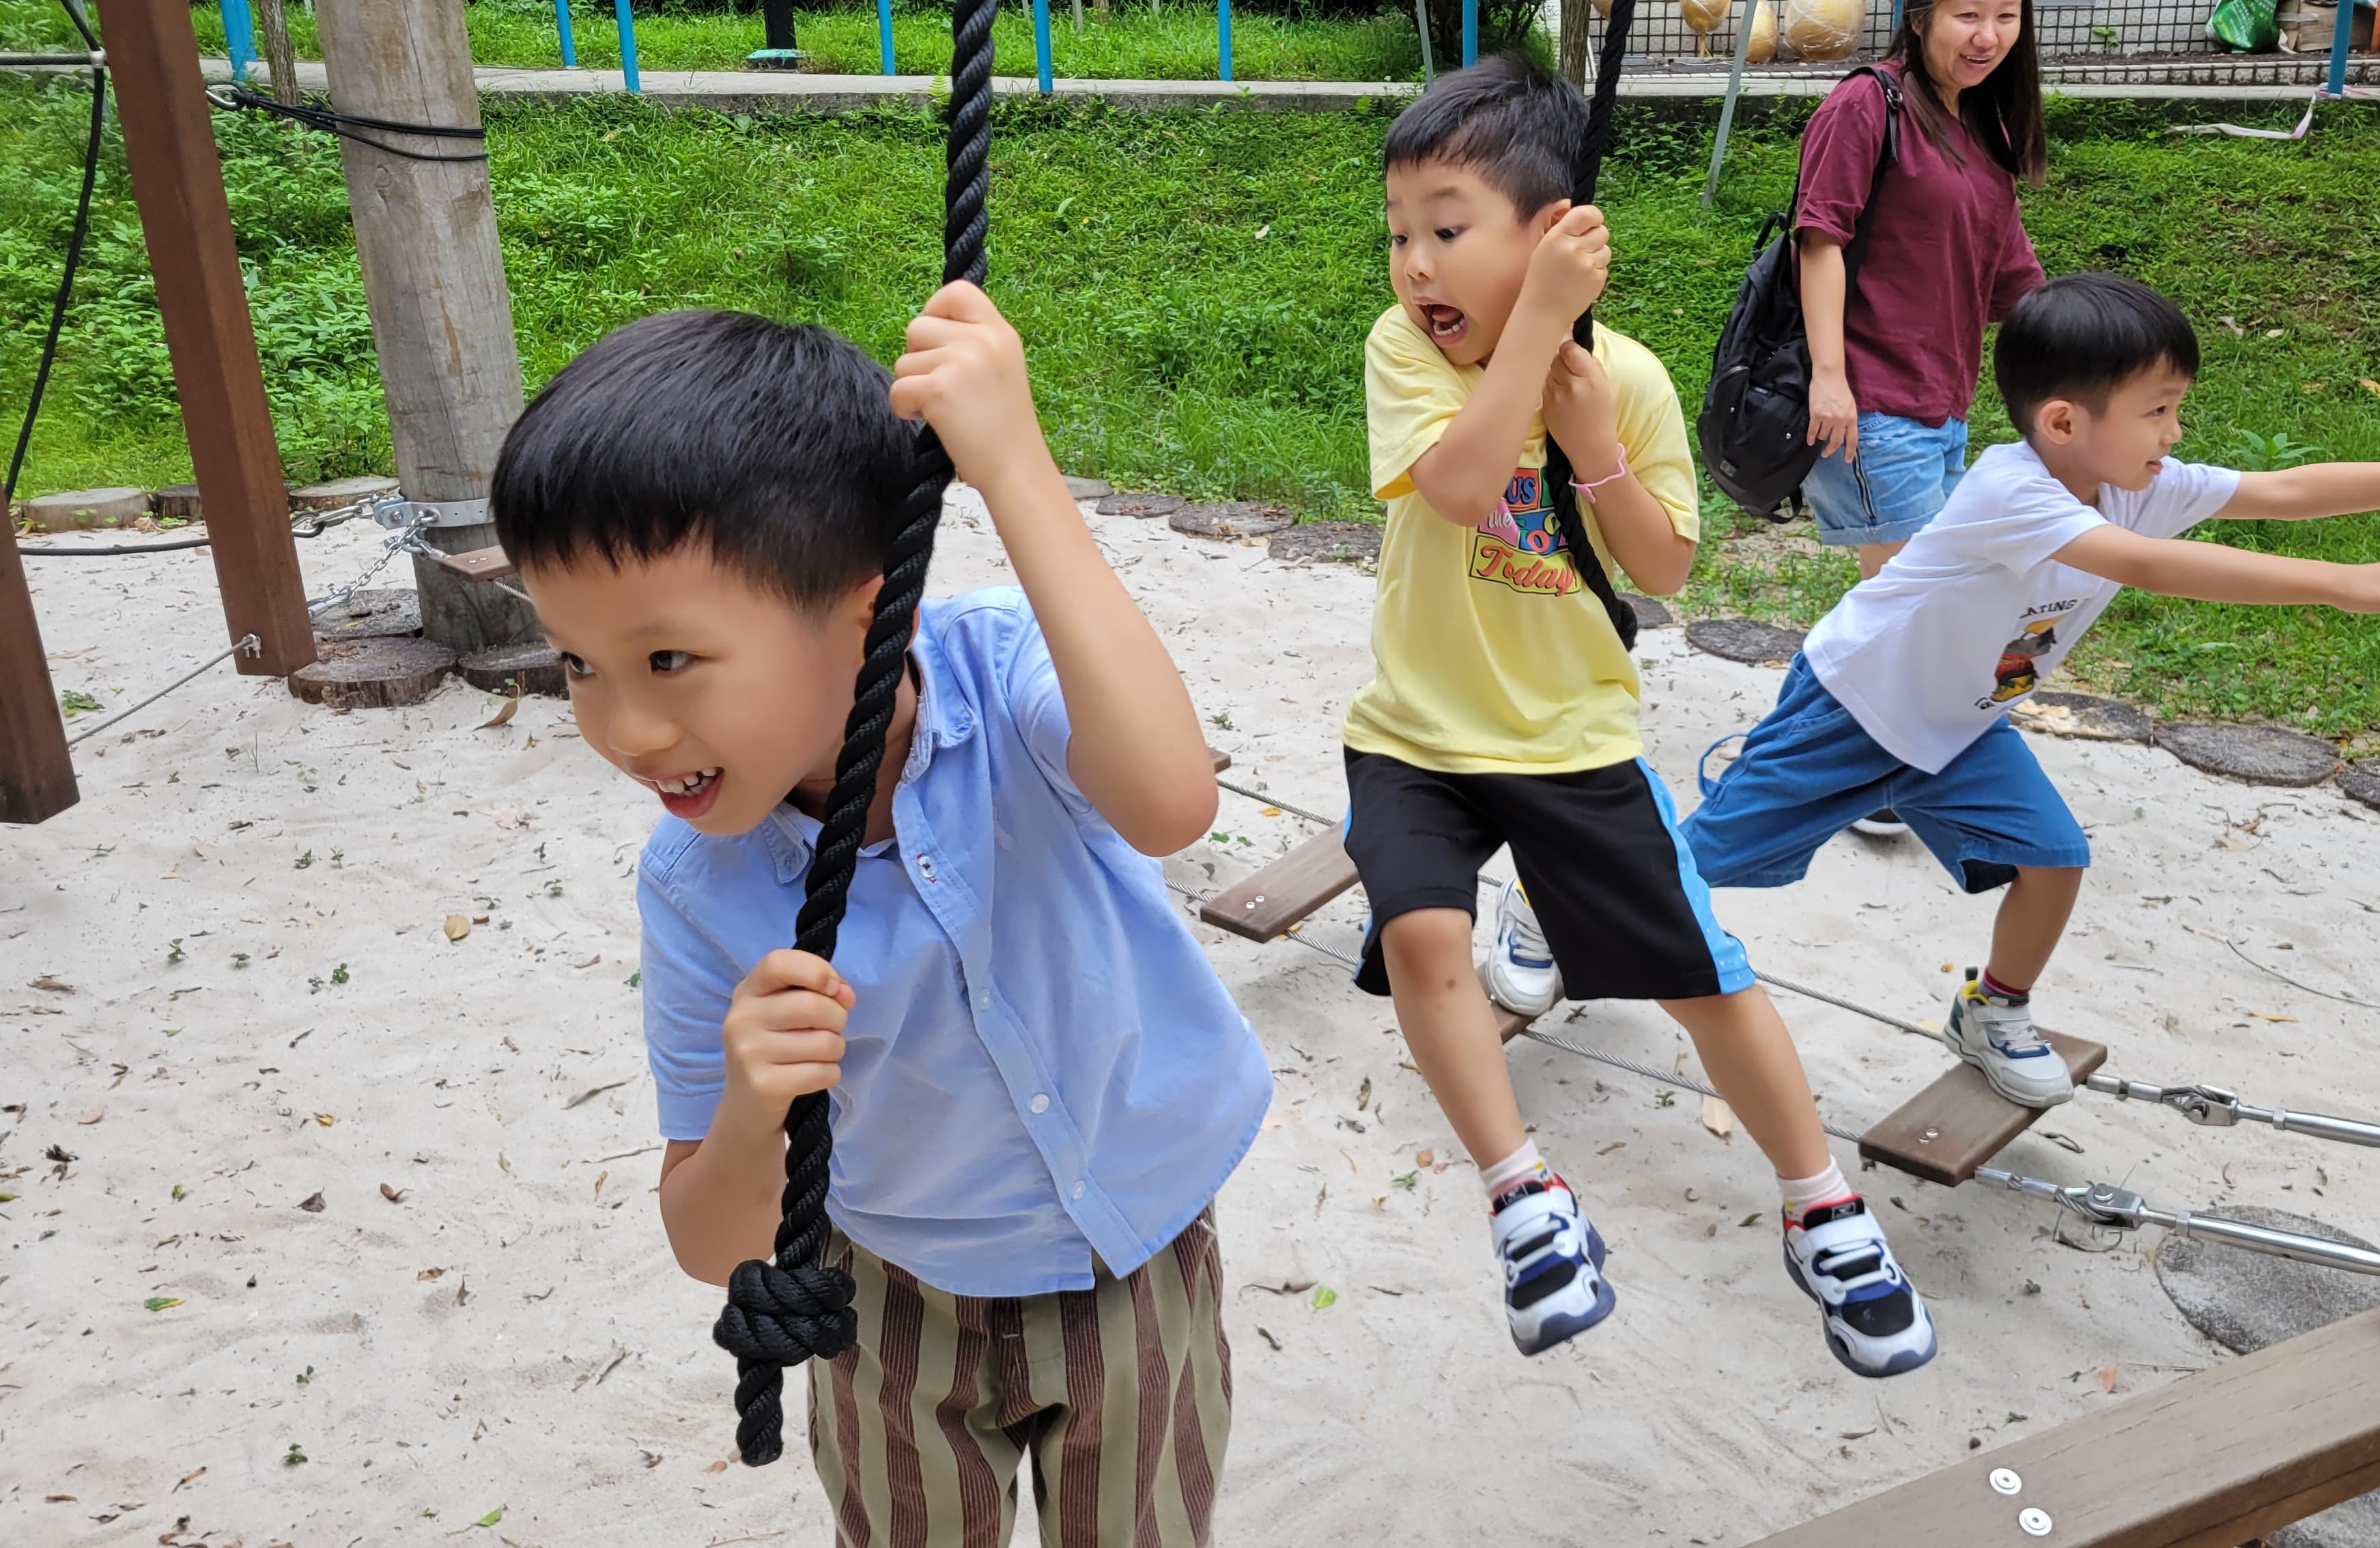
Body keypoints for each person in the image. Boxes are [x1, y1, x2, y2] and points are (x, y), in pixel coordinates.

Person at [489, 287, 1269, 1548]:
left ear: (873, 611)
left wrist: (1011, 465)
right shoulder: (700, 889)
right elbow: (709, 1238)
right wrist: (751, 1111)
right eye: (577, 664)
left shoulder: (1007, 682)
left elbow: (1174, 800)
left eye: (668, 660)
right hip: (894, 1294)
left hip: (1137, 1252)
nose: (624, 731)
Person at [1349, 56, 1936, 1378]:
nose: (1416, 265)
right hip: (1417, 730)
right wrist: (1532, 329)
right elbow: (1452, 487)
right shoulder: (1405, 350)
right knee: (1425, 935)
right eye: (1400, 234)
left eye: (1448, 228)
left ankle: (1821, 1204)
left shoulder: (1640, 381)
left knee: (1701, 978)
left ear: (1554, 227)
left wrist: (1593, 432)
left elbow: (1665, 569)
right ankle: (1523, 1196)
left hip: (1572, 740)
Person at [1682, 272, 2380, 1110]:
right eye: (2158, 410)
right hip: (1854, 709)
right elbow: (2150, 568)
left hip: (1962, 721)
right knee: (1702, 863)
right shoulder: (2014, 490)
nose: (2175, 433)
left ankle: (1992, 1009)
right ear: (2064, 423)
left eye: (2177, 408)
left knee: (2055, 857)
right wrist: (2344, 581)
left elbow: (2281, 491)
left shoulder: (2135, 481)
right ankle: (1557, 916)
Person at [1796, 0, 2048, 835]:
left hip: (1945, 403)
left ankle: (1825, 743)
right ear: (1918, 15)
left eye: (2006, 15)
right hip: (1872, 403)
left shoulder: (1982, 127)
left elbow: (2015, 276)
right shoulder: (1868, 106)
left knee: (1903, 601)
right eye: (1967, 13)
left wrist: (2094, 354)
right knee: (1918, 603)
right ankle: (1883, 774)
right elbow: (1820, 237)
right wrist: (1830, 379)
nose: (1988, 36)